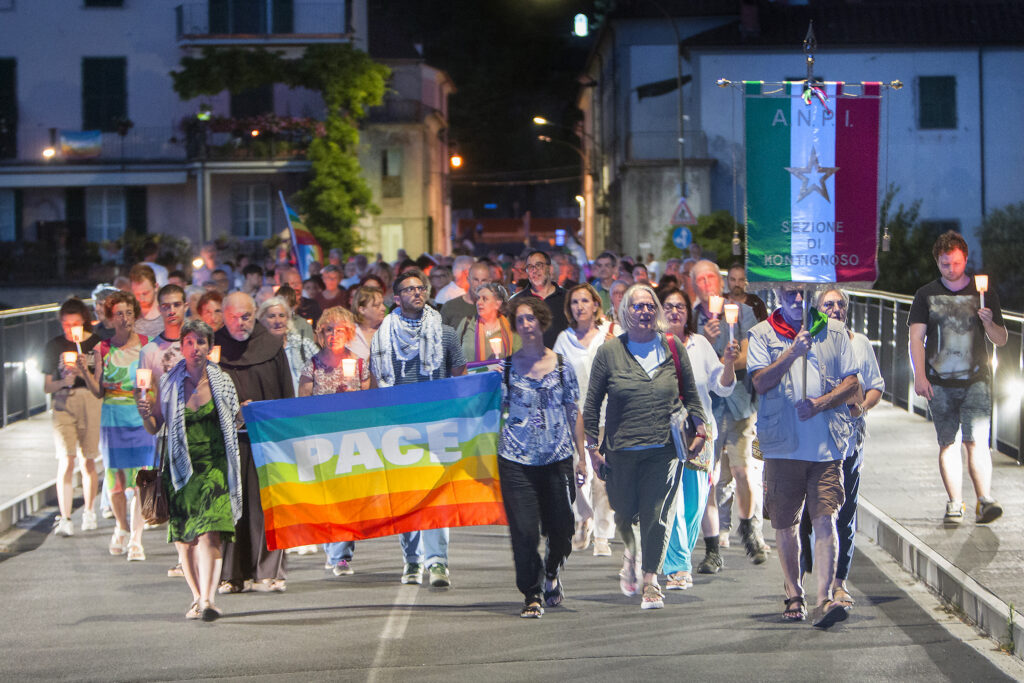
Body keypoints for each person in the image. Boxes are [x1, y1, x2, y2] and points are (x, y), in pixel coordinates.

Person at [582, 283, 708, 609]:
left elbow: (691, 395)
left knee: (656, 514)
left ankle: (651, 578)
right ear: (625, 312)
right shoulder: (609, 352)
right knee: (626, 514)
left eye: (650, 306)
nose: (645, 311)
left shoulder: (672, 347)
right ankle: (630, 553)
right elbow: (592, 405)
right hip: (621, 449)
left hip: (664, 448)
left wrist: (701, 429)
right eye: (638, 306)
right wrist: (593, 449)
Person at [747, 288, 860, 628]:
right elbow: (760, 382)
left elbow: (852, 381)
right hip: (783, 445)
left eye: (801, 292)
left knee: (826, 518)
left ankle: (824, 597)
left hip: (827, 446)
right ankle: (794, 592)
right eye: (788, 293)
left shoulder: (833, 330)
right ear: (776, 294)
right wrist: (792, 353)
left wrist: (821, 403)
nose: (796, 299)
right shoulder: (762, 333)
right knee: (785, 524)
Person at [135, 319, 242, 621]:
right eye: (190, 342)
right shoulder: (168, 382)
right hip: (180, 469)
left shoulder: (223, 382)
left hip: (216, 468)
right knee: (185, 539)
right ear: (181, 347)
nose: (196, 348)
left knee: (211, 534)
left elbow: (235, 423)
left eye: (202, 342)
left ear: (210, 347)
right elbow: (156, 426)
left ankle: (208, 599)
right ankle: (197, 597)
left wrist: (244, 413)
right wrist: (145, 413)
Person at [369, 268, 467, 588]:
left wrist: (455, 413)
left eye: (420, 288)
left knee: (435, 495)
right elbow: (375, 384)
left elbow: (459, 377)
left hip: (437, 424)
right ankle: (412, 561)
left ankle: (437, 562)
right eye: (409, 289)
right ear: (396, 298)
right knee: (407, 497)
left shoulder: (446, 333)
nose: (417, 292)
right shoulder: (382, 335)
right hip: (397, 427)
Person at [909, 230, 1007, 524]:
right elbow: (916, 338)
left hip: (976, 378)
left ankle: (984, 499)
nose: (951, 269)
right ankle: (955, 502)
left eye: (956, 263)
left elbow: (1000, 339)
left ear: (965, 258)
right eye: (944, 264)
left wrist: (989, 322)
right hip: (939, 380)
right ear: (937, 263)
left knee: (976, 440)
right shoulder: (925, 295)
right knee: (948, 442)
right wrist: (920, 376)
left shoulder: (983, 293)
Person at [798, 288, 884, 609]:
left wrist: (860, 408)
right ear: (817, 309)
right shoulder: (810, 342)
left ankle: (838, 582)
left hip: (850, 441)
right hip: (814, 443)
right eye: (828, 304)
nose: (835, 308)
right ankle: (806, 571)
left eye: (840, 304)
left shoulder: (858, 343)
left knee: (845, 512)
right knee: (810, 512)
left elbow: (874, 386)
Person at [500, 296, 585, 618]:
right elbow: (490, 410)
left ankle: (552, 571)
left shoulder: (562, 366)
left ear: (541, 322)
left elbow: (573, 411)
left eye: (530, 319)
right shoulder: (506, 367)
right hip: (515, 459)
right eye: (520, 320)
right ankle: (532, 593)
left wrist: (582, 456)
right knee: (524, 531)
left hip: (557, 456)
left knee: (563, 528)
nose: (526, 325)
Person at [657, 286, 738, 591]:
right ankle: (678, 566)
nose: (674, 311)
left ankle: (678, 557)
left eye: (680, 306)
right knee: (672, 501)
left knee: (695, 503)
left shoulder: (700, 344)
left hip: (701, 434)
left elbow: (723, 387)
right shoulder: (652, 346)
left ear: (687, 312)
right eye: (668, 305)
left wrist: (729, 361)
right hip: (664, 432)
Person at [690, 259, 768, 571]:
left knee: (742, 470)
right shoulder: (695, 316)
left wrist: (721, 362)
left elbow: (746, 357)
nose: (708, 283)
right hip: (708, 407)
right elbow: (691, 357)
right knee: (709, 475)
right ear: (695, 284)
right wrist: (708, 345)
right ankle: (712, 548)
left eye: (712, 277)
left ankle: (749, 528)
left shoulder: (742, 312)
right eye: (701, 279)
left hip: (738, 404)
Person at [215, 292, 294, 594]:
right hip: (228, 442)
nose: (240, 322)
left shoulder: (271, 346)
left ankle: (268, 571)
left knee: (265, 507)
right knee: (232, 508)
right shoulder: (213, 347)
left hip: (265, 439)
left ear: (255, 315)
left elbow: (286, 393)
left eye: (246, 316)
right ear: (224, 315)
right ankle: (231, 574)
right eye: (234, 316)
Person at [80, 291, 155, 561]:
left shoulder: (148, 345)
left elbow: (155, 380)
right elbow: (98, 391)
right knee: (115, 476)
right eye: (119, 314)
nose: (125, 319)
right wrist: (84, 373)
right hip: (112, 417)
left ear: (136, 315)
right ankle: (121, 527)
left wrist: (147, 397)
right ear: (111, 319)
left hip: (140, 416)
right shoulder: (103, 348)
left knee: (142, 479)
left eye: (129, 313)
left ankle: (136, 536)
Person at [298, 307, 371, 576]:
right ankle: (331, 548)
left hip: (351, 439)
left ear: (349, 333)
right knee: (328, 498)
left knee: (349, 498)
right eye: (328, 329)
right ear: (320, 333)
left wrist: (351, 397)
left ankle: (342, 554)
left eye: (340, 330)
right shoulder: (312, 365)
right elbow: (302, 404)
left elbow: (369, 403)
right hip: (322, 439)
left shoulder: (360, 364)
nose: (334, 335)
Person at [553, 284, 615, 557]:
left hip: (606, 415)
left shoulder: (610, 333)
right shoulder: (563, 339)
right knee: (578, 475)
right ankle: (583, 518)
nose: (580, 306)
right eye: (575, 302)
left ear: (595, 304)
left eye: (585, 301)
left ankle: (603, 533)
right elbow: (556, 377)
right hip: (574, 416)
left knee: (603, 477)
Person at [138, 283, 189, 577]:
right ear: (159, 309)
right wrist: (146, 413)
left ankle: (202, 553)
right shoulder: (150, 351)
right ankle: (183, 556)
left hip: (196, 426)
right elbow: (144, 391)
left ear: (185, 306)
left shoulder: (197, 342)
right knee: (175, 494)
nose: (171, 311)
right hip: (168, 431)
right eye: (166, 306)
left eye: (176, 305)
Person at [43, 298, 103, 536]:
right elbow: (47, 386)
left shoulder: (96, 344)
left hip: (89, 400)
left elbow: (100, 385)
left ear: (84, 322)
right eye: (66, 324)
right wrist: (62, 381)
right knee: (66, 460)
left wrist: (83, 372)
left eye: (75, 323)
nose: (70, 329)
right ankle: (65, 516)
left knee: (88, 459)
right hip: (63, 404)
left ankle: (89, 511)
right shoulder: (54, 345)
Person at [257, 296, 319, 395]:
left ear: (288, 319)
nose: (278, 321)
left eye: (282, 315)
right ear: (261, 320)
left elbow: (323, 369)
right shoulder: (256, 350)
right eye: (272, 316)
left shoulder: (303, 344)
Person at [509, 251, 569, 348]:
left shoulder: (567, 297)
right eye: (529, 267)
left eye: (539, 265)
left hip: (562, 360)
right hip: (529, 360)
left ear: (550, 269)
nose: (534, 270)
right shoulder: (516, 301)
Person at [456, 282, 519, 362]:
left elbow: (519, 357)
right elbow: (453, 353)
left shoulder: (509, 327)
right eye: (478, 298)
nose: (479, 302)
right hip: (470, 374)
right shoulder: (467, 323)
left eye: (484, 299)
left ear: (497, 304)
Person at [440, 261, 490, 330]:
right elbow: (441, 336)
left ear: (489, 282)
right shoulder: (450, 306)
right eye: (476, 280)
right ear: (468, 280)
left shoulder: (493, 308)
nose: (479, 284)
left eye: (483, 280)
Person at [348, 285, 387, 361]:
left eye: (383, 304)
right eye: (377, 305)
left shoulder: (389, 329)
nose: (384, 308)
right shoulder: (349, 333)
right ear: (362, 310)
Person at [130, 264, 165, 339]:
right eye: (137, 294)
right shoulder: (130, 317)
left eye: (145, 293)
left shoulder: (168, 314)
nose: (141, 299)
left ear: (156, 287)